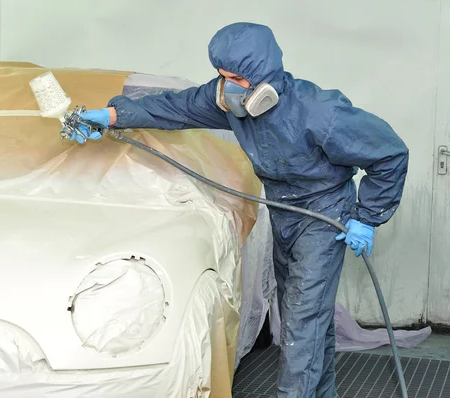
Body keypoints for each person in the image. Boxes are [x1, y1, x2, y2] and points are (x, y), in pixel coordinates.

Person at [75, 22, 409, 398]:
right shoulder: (232, 104)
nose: (225, 88)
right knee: (309, 320)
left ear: (262, 80)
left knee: (301, 325)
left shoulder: (320, 111)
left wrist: (366, 217)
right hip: (283, 211)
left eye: (233, 78)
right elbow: (173, 108)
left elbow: (390, 153)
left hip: (325, 215)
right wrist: (110, 117)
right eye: (220, 76)